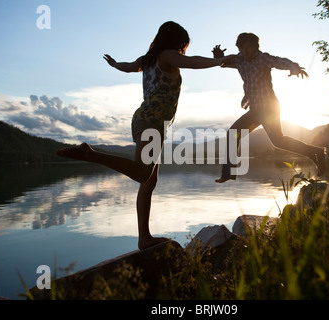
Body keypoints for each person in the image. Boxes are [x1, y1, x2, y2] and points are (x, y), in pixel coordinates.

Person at [56, 21, 230, 250]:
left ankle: (144, 238)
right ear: (176, 41)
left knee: (149, 180)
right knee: (142, 173)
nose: (182, 50)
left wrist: (115, 64)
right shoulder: (168, 55)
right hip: (152, 121)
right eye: (182, 45)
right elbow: (191, 62)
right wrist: (219, 61)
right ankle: (90, 154)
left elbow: (128, 66)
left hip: (143, 119)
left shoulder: (146, 61)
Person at [212, 33, 326, 183]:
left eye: (248, 48)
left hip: (269, 109)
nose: (245, 52)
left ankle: (315, 152)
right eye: (241, 49)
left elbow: (279, 61)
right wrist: (219, 56)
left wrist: (294, 67)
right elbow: (224, 63)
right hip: (255, 110)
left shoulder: (262, 58)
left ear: (256, 47)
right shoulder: (239, 59)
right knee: (233, 134)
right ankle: (228, 173)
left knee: (278, 141)